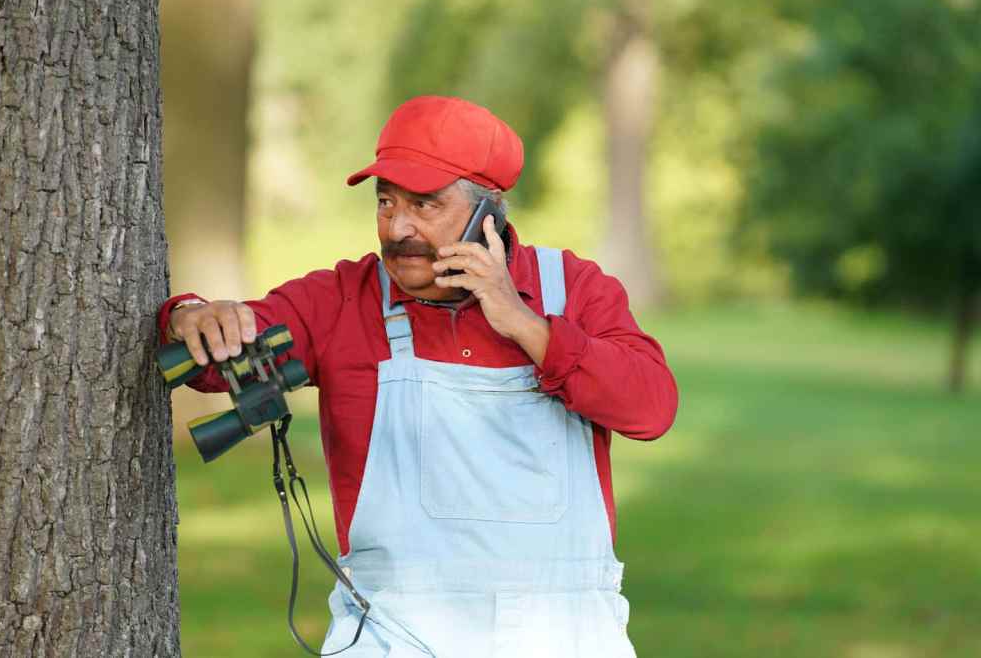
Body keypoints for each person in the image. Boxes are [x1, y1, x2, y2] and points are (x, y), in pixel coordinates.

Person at [158, 95, 678, 657]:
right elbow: (216, 365)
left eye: (425, 204)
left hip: (567, 635)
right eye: (386, 201)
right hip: (393, 636)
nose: (397, 227)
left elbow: (650, 410)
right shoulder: (342, 300)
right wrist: (190, 314)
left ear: (490, 212)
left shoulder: (573, 289)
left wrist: (529, 327)